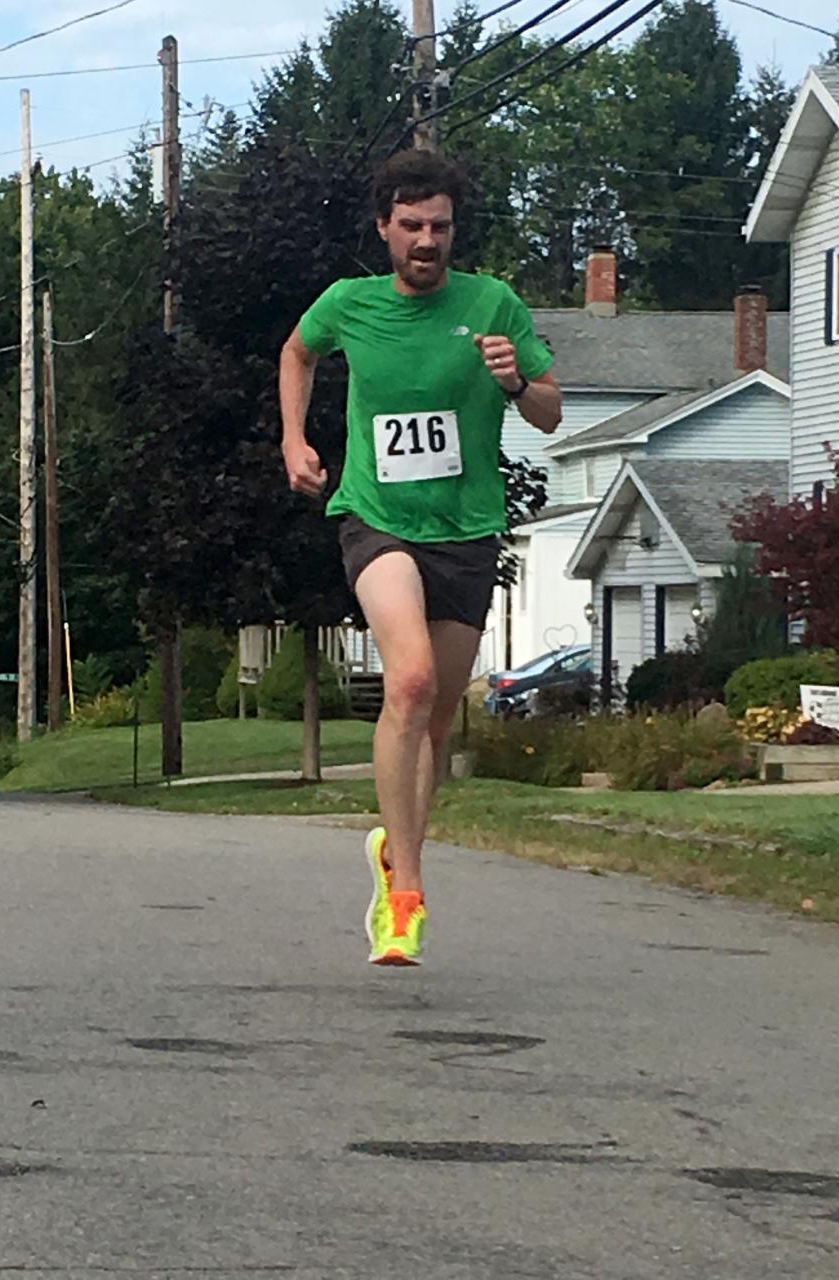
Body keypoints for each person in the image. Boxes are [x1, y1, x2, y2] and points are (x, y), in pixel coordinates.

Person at [278, 150, 562, 966]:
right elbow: (298, 351)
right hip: (376, 518)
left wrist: (514, 382)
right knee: (407, 681)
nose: (426, 240)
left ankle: (395, 853)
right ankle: (406, 895)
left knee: (435, 717)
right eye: (411, 226)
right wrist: (294, 439)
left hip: (466, 530)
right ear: (384, 230)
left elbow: (549, 413)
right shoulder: (350, 304)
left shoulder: (493, 304)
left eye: (439, 226)